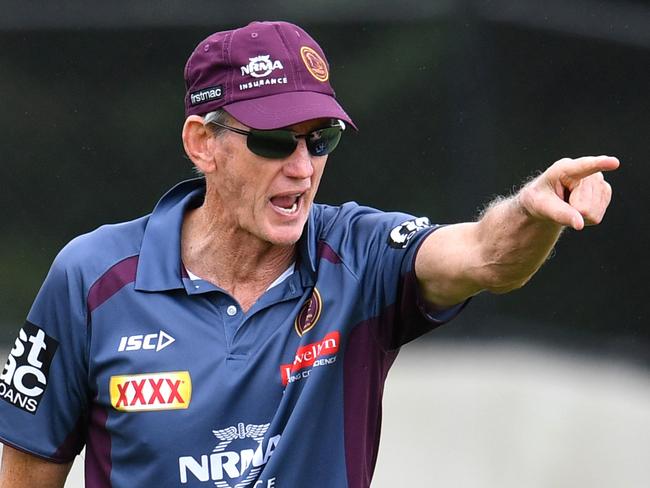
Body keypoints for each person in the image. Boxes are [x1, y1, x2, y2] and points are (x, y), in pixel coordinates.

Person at [0, 20, 617, 488]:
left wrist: (532, 211)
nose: (302, 169)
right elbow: (25, 472)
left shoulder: (360, 253)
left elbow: (486, 257)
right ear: (202, 144)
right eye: (273, 141)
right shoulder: (89, 278)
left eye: (319, 139)